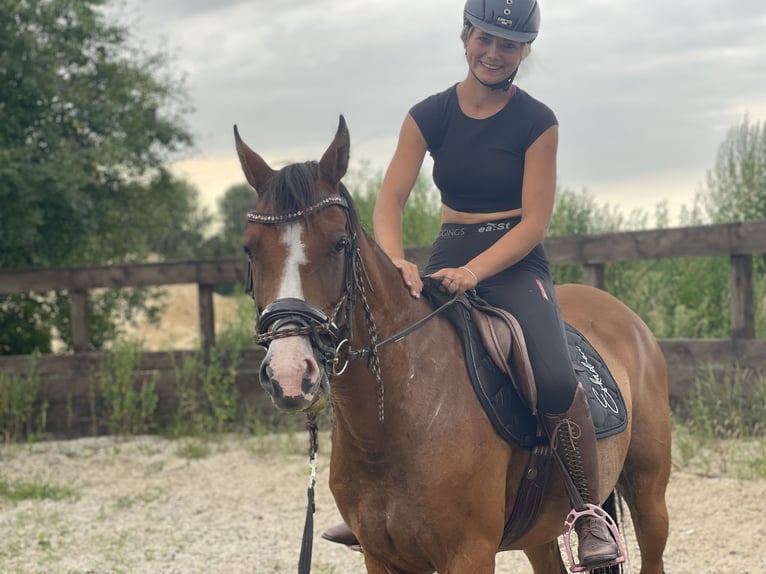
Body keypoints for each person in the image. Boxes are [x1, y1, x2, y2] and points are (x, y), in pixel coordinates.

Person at [323, 0, 622, 568]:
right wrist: (396, 262)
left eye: (508, 45)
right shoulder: (429, 114)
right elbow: (389, 198)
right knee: (378, 354)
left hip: (513, 262)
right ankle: (374, 500)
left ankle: (587, 512)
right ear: (466, 37)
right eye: (484, 39)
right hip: (447, 253)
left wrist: (477, 272)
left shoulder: (538, 121)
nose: (493, 52)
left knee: (555, 379)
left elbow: (535, 220)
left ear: (523, 52)